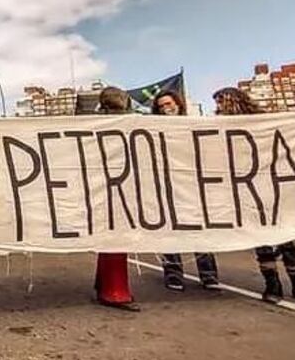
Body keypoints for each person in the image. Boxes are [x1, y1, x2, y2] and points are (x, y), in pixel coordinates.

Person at [213, 87, 295, 306]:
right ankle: (272, 283)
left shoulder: (265, 120)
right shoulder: (219, 126)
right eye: (218, 102)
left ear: (237, 100)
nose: (219, 106)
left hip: (276, 187)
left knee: (288, 237)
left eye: (222, 101)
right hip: (249, 188)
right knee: (263, 239)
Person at [151, 90, 220, 291]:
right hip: (167, 186)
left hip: (193, 185)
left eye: (168, 104)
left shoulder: (193, 124)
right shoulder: (154, 129)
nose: (166, 109)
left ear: (178, 104)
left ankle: (208, 275)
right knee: (170, 231)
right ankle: (173, 274)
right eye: (161, 106)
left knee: (200, 230)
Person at [93, 87, 140, 312]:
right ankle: (114, 291)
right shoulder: (127, 122)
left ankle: (105, 284)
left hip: (107, 186)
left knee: (111, 239)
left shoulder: (93, 123)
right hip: (117, 186)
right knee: (116, 239)